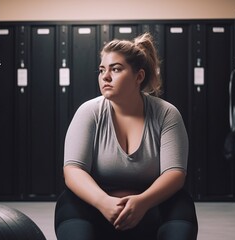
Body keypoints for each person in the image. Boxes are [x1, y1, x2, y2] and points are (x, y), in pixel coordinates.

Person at [54, 32, 198, 240]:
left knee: (181, 204)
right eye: (102, 70)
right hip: (98, 206)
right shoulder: (89, 112)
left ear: (138, 76)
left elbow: (175, 174)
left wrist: (142, 202)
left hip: (151, 206)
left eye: (116, 69)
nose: (105, 77)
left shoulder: (166, 114)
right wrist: (103, 202)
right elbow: (73, 170)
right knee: (70, 202)